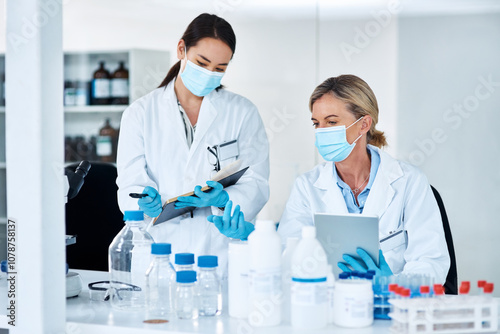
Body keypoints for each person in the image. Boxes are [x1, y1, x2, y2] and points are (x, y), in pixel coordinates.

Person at [116, 13, 269, 273]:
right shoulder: (140, 113)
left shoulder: (242, 112)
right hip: (159, 252)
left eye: (220, 68)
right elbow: (130, 183)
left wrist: (224, 200)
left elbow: (256, 182)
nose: (210, 74)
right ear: (181, 49)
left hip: (217, 253)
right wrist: (143, 201)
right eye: (202, 62)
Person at [275, 75, 450, 283]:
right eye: (316, 123)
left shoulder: (409, 182)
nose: (321, 132)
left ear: (364, 124)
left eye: (331, 122)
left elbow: (431, 265)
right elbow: (289, 257)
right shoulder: (306, 186)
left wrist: (389, 282)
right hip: (330, 305)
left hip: (392, 307)